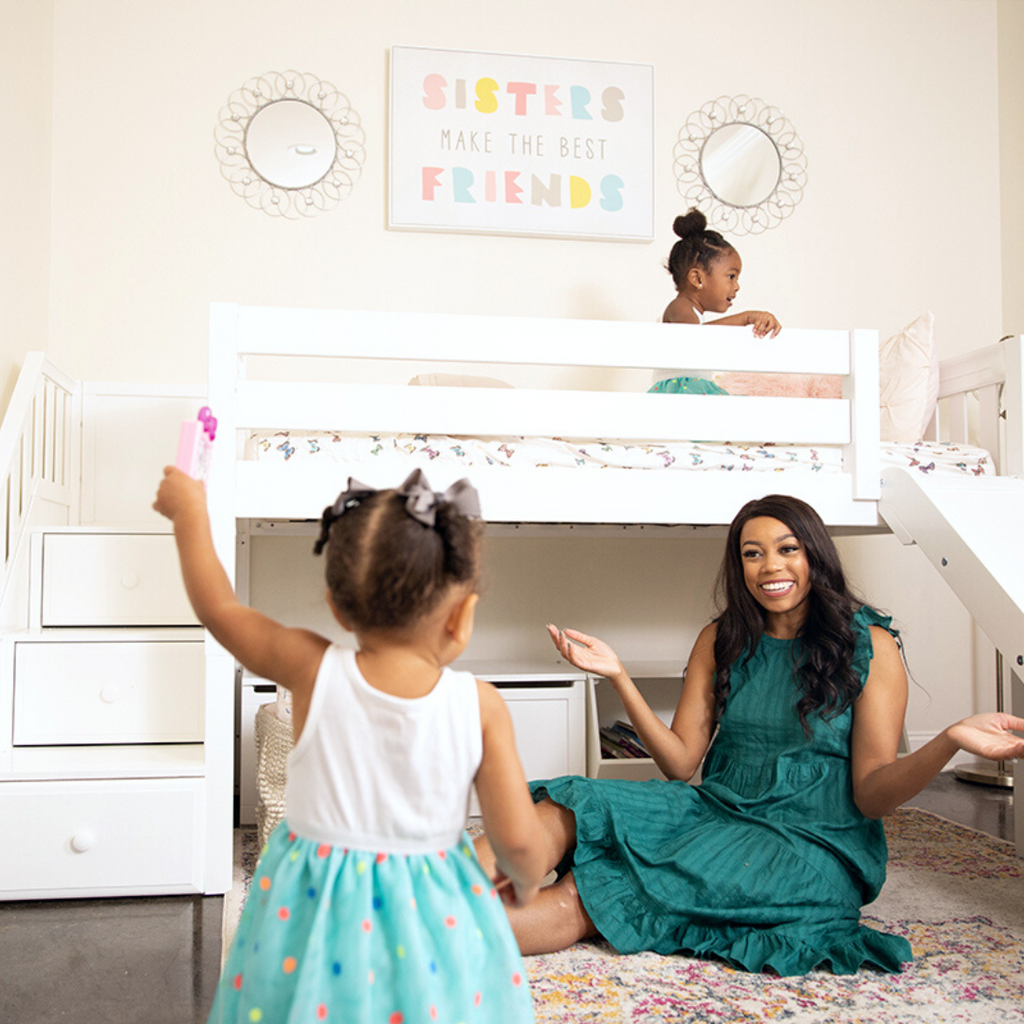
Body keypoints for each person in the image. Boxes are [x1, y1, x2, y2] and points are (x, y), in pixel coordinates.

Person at [474, 494, 1024, 977]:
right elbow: (680, 763)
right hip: (718, 811)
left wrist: (948, 738)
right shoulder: (721, 638)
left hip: (812, 844)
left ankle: (419, 937)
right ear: (739, 566)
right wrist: (618, 676)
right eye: (752, 553)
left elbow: (871, 793)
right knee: (568, 806)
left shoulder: (870, 646)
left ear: (815, 556)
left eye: (788, 549)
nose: (770, 567)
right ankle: (410, 901)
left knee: (591, 895)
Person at [154, 466, 546, 1023]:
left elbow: (221, 612)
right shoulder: (480, 705)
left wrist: (190, 514)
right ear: (462, 617)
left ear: (337, 607)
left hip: (313, 911)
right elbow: (522, 846)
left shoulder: (312, 668)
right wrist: (524, 881)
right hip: (429, 917)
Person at [653, 208, 782, 395]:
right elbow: (697, 339)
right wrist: (745, 318)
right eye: (731, 276)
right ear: (697, 279)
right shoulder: (679, 307)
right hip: (680, 395)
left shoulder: (694, 314)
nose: (736, 286)